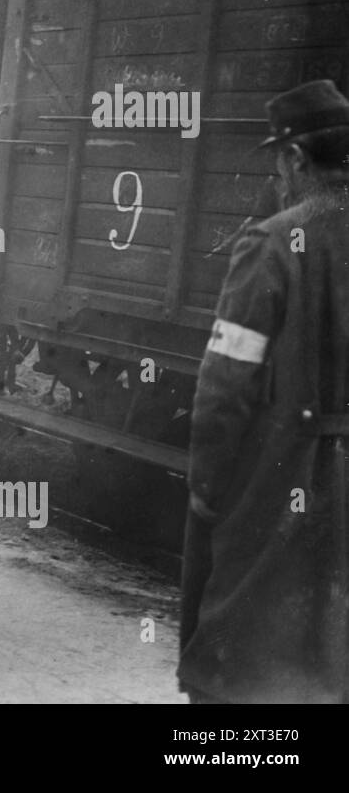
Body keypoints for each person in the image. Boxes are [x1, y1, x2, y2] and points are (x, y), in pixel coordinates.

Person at [178, 79, 349, 705]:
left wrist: (206, 482)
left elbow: (226, 384)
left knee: (239, 641)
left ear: (296, 160)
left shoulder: (274, 243)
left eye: (279, 161)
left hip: (279, 473)